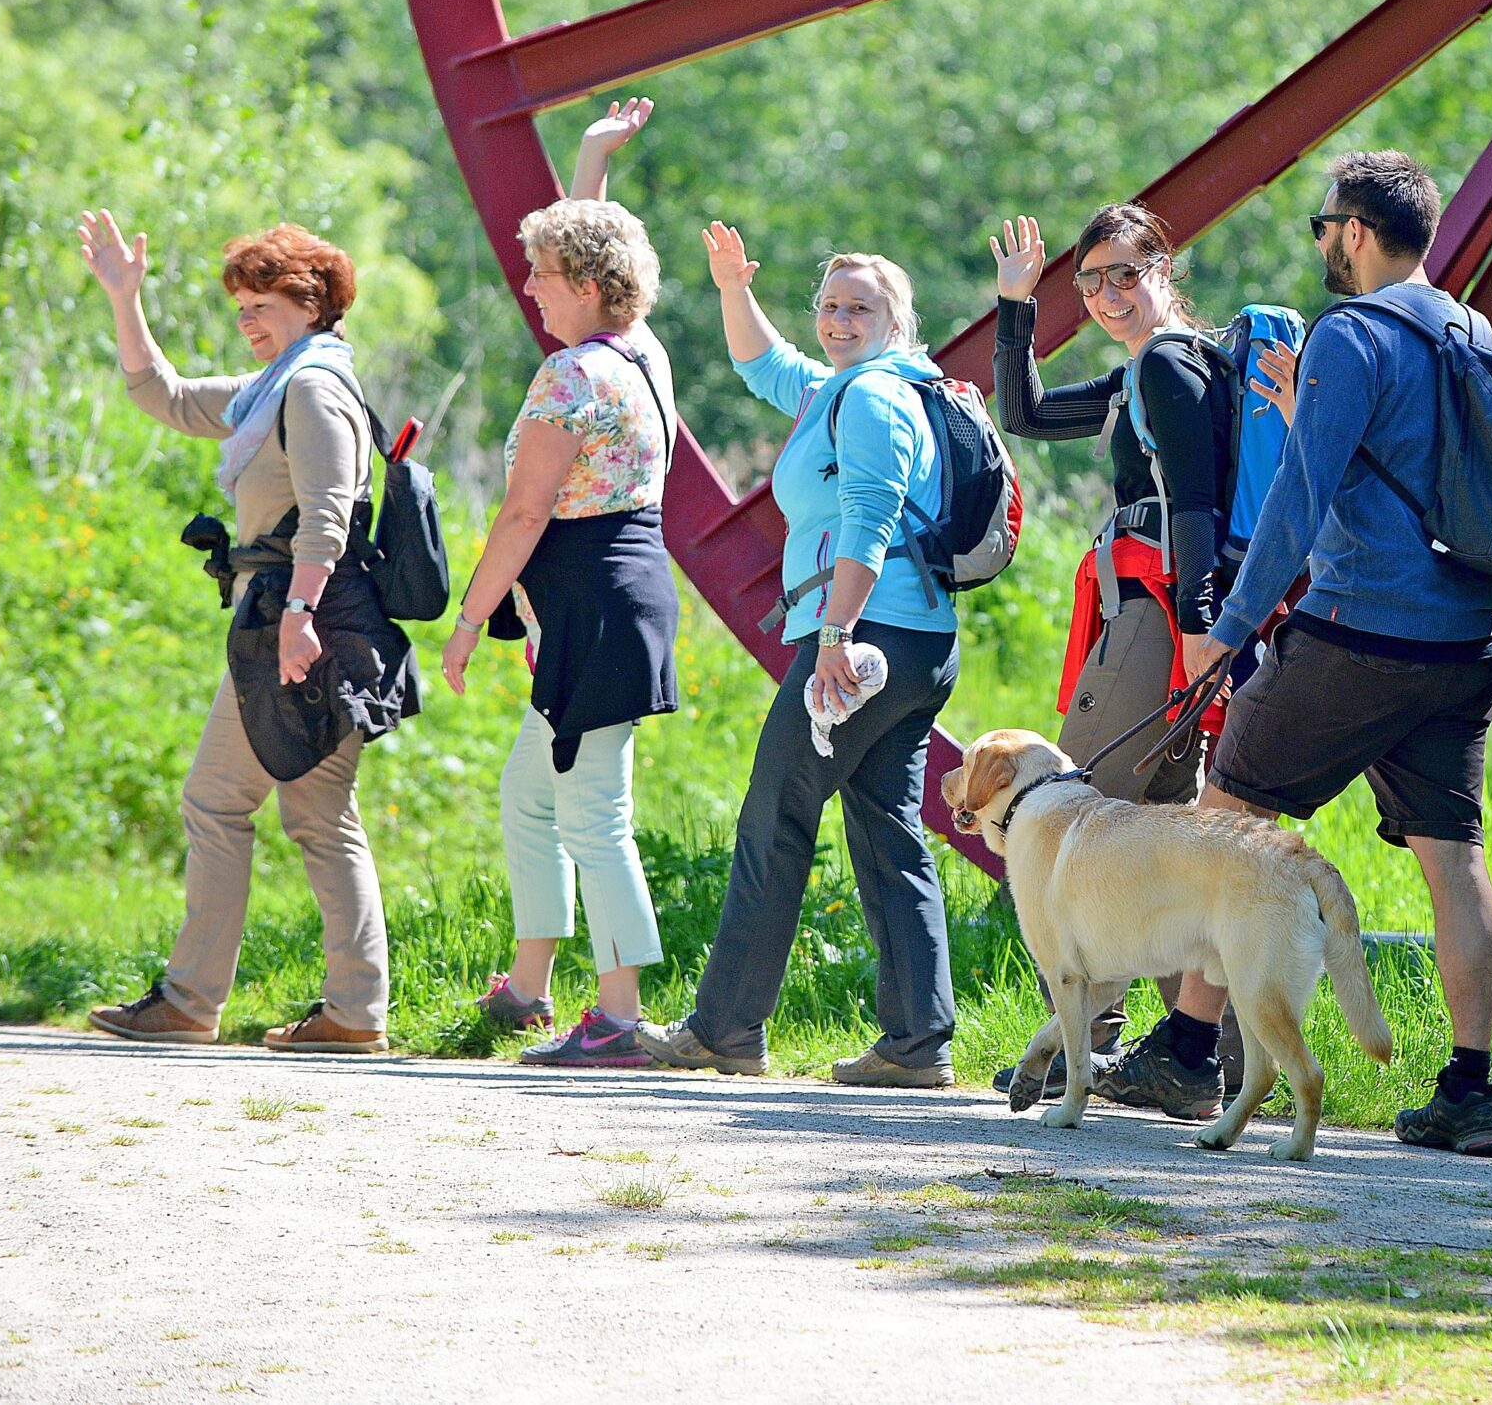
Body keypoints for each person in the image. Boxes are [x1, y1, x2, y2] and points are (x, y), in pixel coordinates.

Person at [1177, 149, 1492, 1158]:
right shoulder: (1473, 328)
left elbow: (1298, 497)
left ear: (1357, 231)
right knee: (1452, 857)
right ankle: (1468, 1089)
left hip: (1361, 628)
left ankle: (1186, 1047)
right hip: (1467, 634)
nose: (1322, 241)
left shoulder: (1352, 331)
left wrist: (1231, 626)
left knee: (1227, 814)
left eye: (1324, 224)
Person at [79, 213, 418, 1054]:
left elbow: (330, 512)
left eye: (262, 303)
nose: (249, 321)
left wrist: (297, 618)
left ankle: (195, 1000)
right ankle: (352, 1012)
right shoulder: (273, 387)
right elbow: (159, 392)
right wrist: (126, 299)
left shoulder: (310, 388)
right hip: (296, 619)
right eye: (241, 307)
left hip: (309, 622)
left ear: (311, 303)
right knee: (317, 814)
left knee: (218, 801)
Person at [638, 226, 961, 1087]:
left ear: (899, 321)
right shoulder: (854, 391)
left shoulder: (874, 400)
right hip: (918, 640)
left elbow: (870, 517)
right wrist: (731, 287)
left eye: (860, 307)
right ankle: (916, 1044)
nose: (839, 320)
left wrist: (834, 636)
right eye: (829, 306)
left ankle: (726, 1028)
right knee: (889, 826)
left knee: (775, 815)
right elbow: (766, 367)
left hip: (868, 639)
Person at [983, 204, 1277, 1109]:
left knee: (1069, 825)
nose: (1109, 293)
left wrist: (1195, 629)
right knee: (1168, 854)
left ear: (1163, 263)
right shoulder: (1147, 374)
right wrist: (1015, 304)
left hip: (1159, 620)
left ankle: (1083, 1051)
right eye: (1092, 280)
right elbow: (1026, 413)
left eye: (1125, 271)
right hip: (1182, 622)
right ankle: (1201, 1064)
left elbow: (1191, 504)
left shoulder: (1169, 362)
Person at [442, 99, 682, 1069]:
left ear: (584, 283)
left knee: (592, 812)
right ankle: (530, 989)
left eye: (543, 273)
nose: (530, 286)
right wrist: (590, 160)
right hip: (619, 598)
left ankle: (618, 1018)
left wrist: (467, 621)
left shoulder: (566, 380)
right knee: (530, 794)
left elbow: (523, 514)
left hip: (588, 607)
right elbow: (597, 245)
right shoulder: (636, 355)